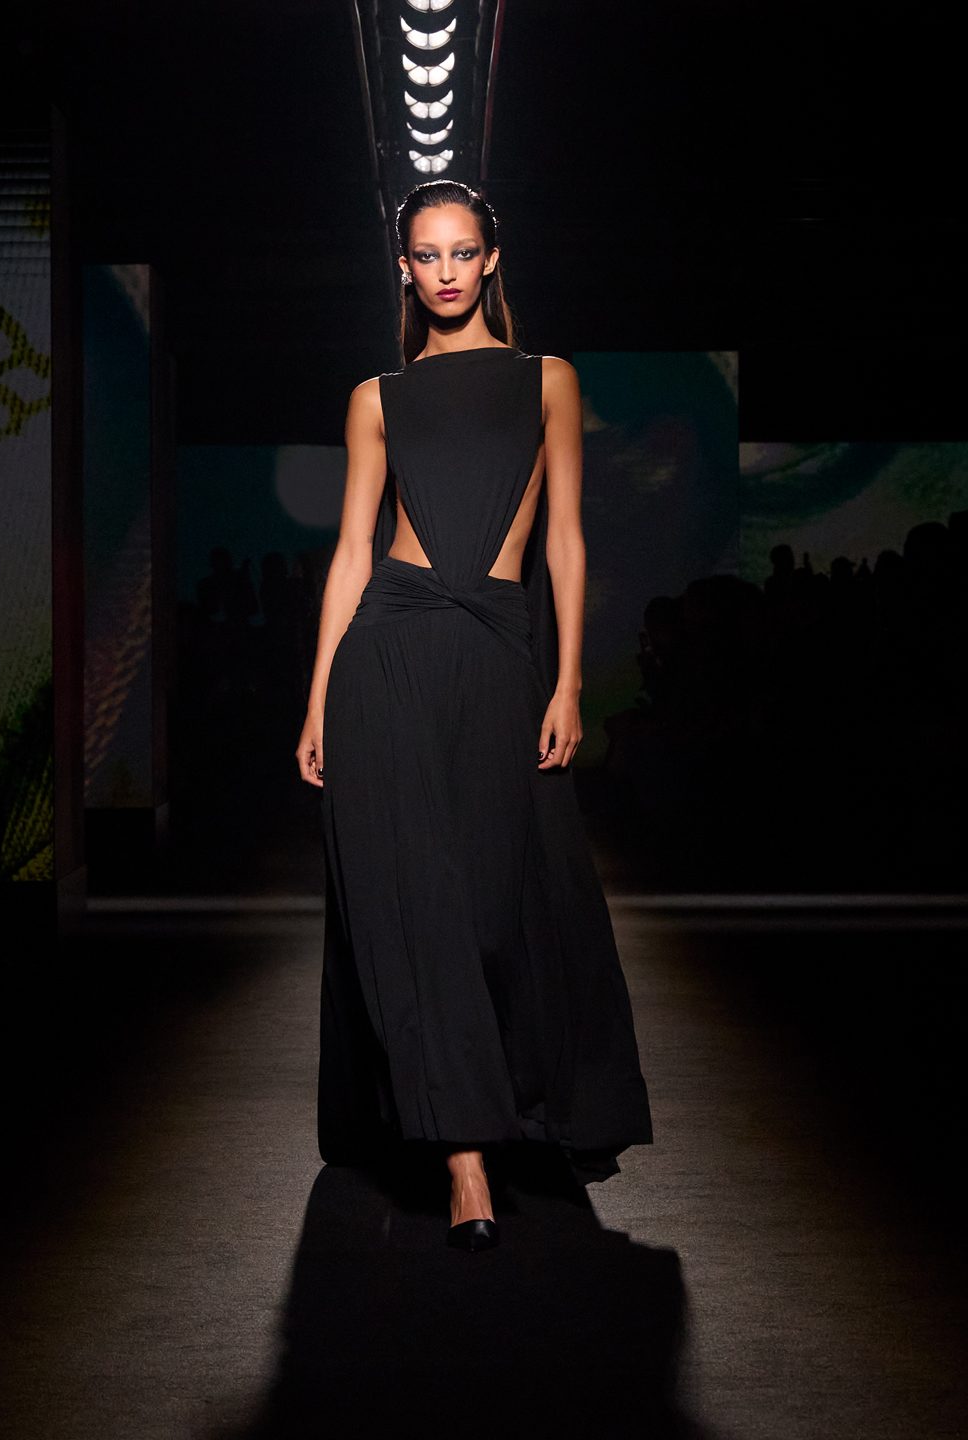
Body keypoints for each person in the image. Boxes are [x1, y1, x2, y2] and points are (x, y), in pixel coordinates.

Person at [295, 180, 652, 1252]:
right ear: (404, 269)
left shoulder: (549, 380)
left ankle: (499, 1107)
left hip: (498, 653)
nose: (445, 271)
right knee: (417, 904)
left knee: (496, 904)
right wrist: (316, 701)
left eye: (462, 252)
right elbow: (352, 552)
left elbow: (567, 540)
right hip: (386, 656)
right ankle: (465, 1164)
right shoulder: (377, 397)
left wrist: (569, 680)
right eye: (426, 255)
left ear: (492, 259)